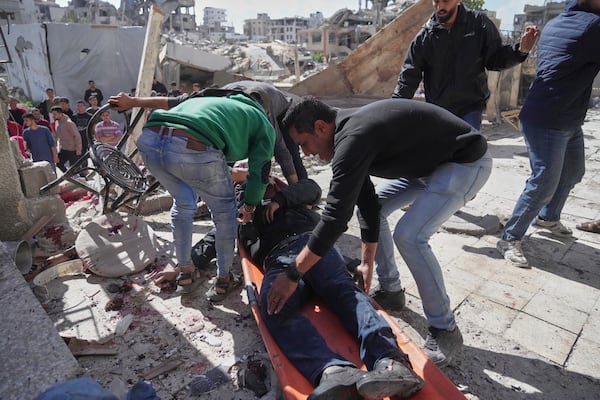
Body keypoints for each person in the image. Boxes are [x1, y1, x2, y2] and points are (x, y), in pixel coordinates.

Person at [271, 96, 492, 367]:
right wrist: (365, 263)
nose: (306, 153)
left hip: (464, 163)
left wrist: (294, 273)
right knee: (379, 208)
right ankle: (391, 290)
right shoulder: (348, 131)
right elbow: (366, 201)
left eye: (304, 143)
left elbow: (335, 218)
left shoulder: (353, 137)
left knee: (410, 236)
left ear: (320, 127)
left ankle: (445, 329)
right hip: (428, 167)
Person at [187, 179, 425, 399]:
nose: (244, 193)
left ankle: (392, 363)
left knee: (345, 293)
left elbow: (312, 188)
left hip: (311, 246)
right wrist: (185, 265)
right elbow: (209, 244)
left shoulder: (282, 195)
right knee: (272, 305)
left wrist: (279, 199)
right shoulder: (234, 218)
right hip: (278, 260)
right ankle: (334, 371)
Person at [108, 90, 275, 302]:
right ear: (266, 111)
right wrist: (250, 206)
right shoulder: (261, 120)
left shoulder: (213, 103)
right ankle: (223, 280)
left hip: (150, 141)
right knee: (225, 214)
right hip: (192, 144)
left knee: (184, 203)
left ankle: (185, 273)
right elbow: (260, 172)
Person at [496, 0, 600, 268]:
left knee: (573, 173)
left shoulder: (556, 23)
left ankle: (548, 217)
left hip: (565, 117)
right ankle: (509, 238)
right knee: (543, 183)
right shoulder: (593, 25)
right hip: (549, 119)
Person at [392, 0, 539, 130]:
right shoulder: (425, 37)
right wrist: (392, 112)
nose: (440, 6)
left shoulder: (479, 25)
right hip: (438, 111)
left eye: (445, 0)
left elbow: (495, 59)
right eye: (436, 1)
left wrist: (520, 51)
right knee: (441, 156)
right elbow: (409, 76)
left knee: (467, 155)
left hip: (470, 109)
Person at [221, 80, 308, 183]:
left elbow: (281, 149)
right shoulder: (225, 110)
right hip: (238, 104)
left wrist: (295, 186)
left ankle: (302, 188)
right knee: (227, 151)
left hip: (281, 109)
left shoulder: (263, 107)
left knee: (290, 152)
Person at [51, 106, 82, 172]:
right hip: (63, 149)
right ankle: (69, 178)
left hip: (72, 149)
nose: (53, 116)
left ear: (60, 114)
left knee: (76, 169)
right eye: (53, 114)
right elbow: (56, 135)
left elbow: (77, 136)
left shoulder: (69, 123)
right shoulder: (57, 122)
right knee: (59, 164)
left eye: (55, 114)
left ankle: (84, 178)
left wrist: (78, 148)